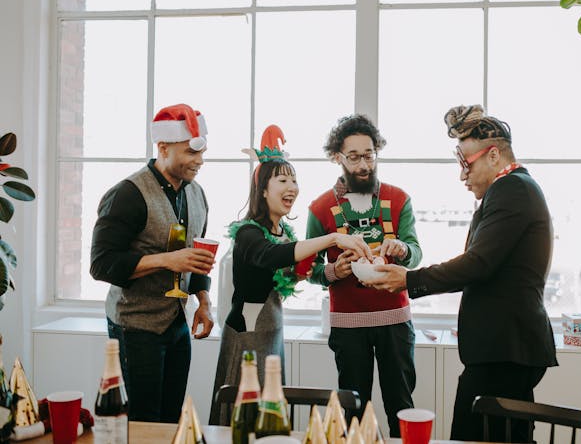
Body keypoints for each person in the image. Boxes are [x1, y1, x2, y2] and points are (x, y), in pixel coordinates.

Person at [368, 105, 558, 443]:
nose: (462, 176)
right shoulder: (515, 189)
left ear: (494, 156)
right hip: (504, 349)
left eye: (466, 164)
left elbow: (478, 263)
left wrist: (408, 279)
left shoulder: (512, 190)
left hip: (505, 351)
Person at [209, 125, 373, 426]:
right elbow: (271, 256)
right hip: (248, 330)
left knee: (270, 406)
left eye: (294, 180)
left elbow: (299, 271)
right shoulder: (247, 233)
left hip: (273, 327)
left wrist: (336, 269)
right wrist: (333, 238)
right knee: (246, 412)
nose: (292, 187)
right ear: (262, 190)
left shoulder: (284, 233)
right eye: (282, 180)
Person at [90, 103, 216, 423]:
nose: (200, 161)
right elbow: (101, 264)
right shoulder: (127, 194)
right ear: (163, 148)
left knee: (172, 418)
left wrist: (203, 301)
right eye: (190, 153)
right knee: (145, 421)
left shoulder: (197, 194)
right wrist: (168, 260)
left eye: (201, 153)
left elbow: (197, 255)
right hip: (135, 327)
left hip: (177, 325)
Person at [306, 115, 422, 437]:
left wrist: (402, 248)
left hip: (395, 320)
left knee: (401, 405)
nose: (363, 165)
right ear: (337, 158)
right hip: (348, 325)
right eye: (353, 156)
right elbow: (308, 269)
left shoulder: (399, 199)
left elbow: (416, 251)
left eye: (369, 155)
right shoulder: (320, 209)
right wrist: (333, 270)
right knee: (353, 410)